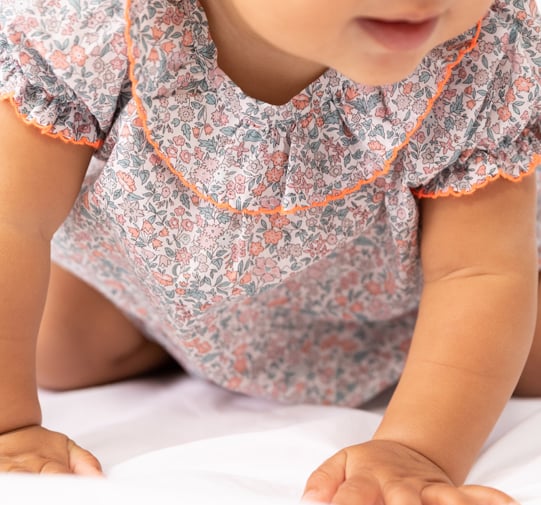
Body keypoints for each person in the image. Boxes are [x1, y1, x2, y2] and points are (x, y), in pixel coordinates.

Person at [0, 0, 540, 502]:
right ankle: (186, 346)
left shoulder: (483, 54)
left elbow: (476, 270)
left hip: (396, 319)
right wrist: (10, 425)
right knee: (58, 350)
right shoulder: (92, 24)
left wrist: (417, 449)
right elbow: (12, 223)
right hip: (153, 290)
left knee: (514, 350)